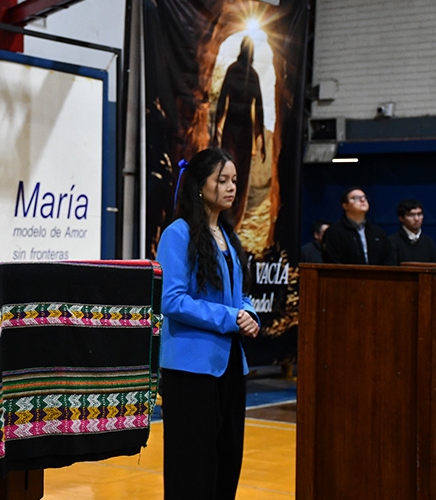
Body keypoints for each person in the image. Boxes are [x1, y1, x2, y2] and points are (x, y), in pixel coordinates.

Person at [157, 147, 260, 499]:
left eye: (234, 180)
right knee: (193, 467)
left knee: (227, 461)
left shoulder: (229, 237)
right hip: (190, 369)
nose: (232, 187)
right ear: (201, 186)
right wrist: (231, 318)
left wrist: (249, 314)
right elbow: (171, 300)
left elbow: (239, 296)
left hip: (229, 364)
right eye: (223, 180)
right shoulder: (178, 233)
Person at [212, 35, 266, 225]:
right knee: (228, 170)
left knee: (241, 173)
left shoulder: (252, 75)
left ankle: (235, 217)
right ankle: (224, 213)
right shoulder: (234, 71)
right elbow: (222, 101)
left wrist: (262, 140)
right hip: (233, 127)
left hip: (244, 129)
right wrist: (216, 129)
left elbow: (258, 107)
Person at [322, 187, 395, 265]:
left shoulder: (378, 232)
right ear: (345, 205)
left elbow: (389, 259)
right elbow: (332, 261)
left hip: (376, 276)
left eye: (364, 197)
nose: (362, 200)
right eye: (356, 198)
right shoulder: (334, 232)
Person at [389, 198, 436, 263]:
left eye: (419, 214)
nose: (416, 219)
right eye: (411, 215)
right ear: (401, 218)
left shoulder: (429, 242)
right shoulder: (392, 242)